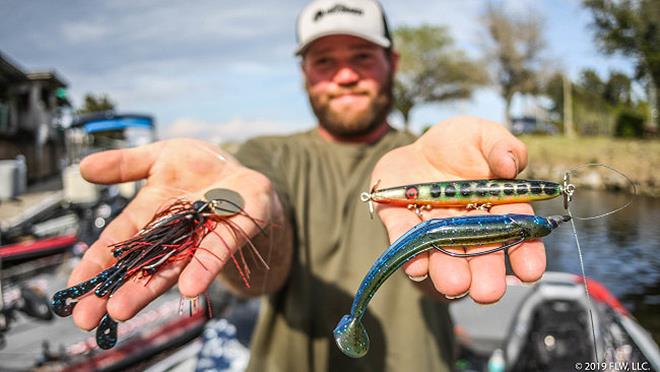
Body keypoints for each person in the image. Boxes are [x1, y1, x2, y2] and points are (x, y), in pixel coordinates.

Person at [67, 0, 545, 371]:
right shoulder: (268, 155)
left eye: (362, 56)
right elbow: (263, 273)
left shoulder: (434, 161)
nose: (345, 75)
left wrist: (469, 245)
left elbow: (447, 284)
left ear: (392, 62)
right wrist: (250, 215)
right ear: (304, 73)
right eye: (324, 61)